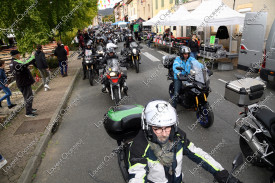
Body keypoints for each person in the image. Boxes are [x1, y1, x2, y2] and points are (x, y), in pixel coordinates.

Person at [128, 100, 242, 183]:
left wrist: (220, 173)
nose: (164, 134)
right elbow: (137, 175)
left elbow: (197, 153)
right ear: (147, 127)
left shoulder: (178, 137)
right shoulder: (139, 147)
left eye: (167, 127)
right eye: (157, 128)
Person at [11, 50, 37, 117]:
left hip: (22, 82)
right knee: (28, 97)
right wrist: (33, 56)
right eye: (19, 54)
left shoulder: (13, 62)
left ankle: (30, 109)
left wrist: (30, 57)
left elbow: (25, 62)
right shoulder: (16, 63)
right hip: (24, 83)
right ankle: (28, 113)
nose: (20, 55)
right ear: (17, 55)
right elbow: (26, 63)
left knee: (28, 96)